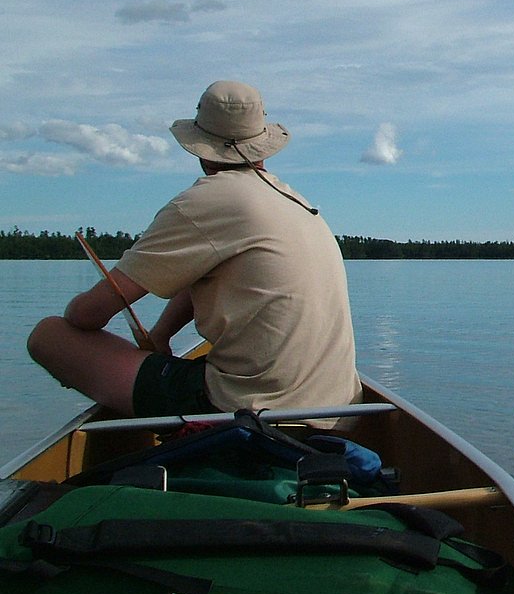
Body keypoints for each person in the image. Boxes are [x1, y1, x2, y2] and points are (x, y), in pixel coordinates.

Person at [27, 80, 362, 428]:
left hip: (252, 413)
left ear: (202, 149)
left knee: (49, 335)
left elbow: (85, 316)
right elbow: (206, 270)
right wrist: (160, 335)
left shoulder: (206, 202)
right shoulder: (296, 202)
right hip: (340, 410)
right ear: (264, 144)